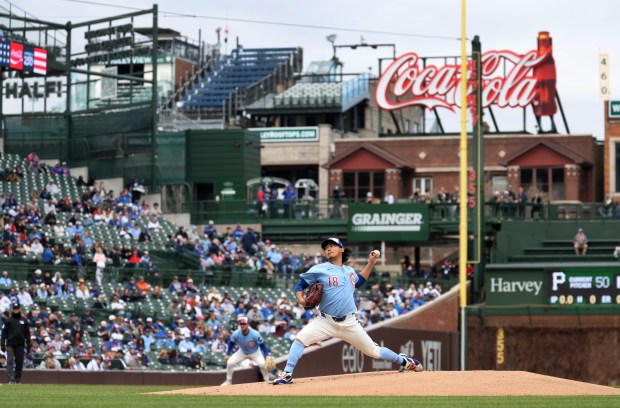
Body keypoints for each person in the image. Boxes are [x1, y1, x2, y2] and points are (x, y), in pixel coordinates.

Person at [273, 237, 423, 385]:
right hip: (326, 321)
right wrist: (301, 299)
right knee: (300, 339)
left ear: (341, 249)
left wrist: (370, 263)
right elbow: (299, 286)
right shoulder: (319, 269)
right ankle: (287, 374)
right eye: (326, 248)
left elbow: (359, 281)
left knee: (374, 352)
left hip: (350, 323)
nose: (329, 249)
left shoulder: (349, 271)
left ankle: (404, 361)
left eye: (332, 245)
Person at [221, 316, 271, 386]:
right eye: (241, 324)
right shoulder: (236, 333)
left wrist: (267, 354)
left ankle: (266, 380)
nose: (242, 325)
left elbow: (262, 344)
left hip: (255, 352)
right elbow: (231, 343)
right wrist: (228, 353)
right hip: (242, 352)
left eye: (244, 324)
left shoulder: (255, 334)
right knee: (230, 362)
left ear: (248, 325)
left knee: (262, 364)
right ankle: (228, 381)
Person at [1, 303, 31, 384]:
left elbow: (27, 334)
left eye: (17, 308)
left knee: (19, 362)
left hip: (20, 345)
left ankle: (17, 380)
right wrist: (2, 344)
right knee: (10, 361)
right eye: (14, 309)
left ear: (20, 309)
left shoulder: (24, 321)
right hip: (10, 344)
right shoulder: (8, 321)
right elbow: (4, 333)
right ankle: (11, 379)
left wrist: (29, 346)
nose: (16, 310)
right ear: (12, 310)